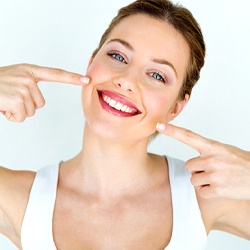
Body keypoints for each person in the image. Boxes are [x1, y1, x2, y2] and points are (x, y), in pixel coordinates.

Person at [0, 0, 249, 249]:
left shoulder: (203, 195)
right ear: (91, 63)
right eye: (118, 56)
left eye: (156, 75)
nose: (127, 80)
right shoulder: (21, 198)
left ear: (175, 107)